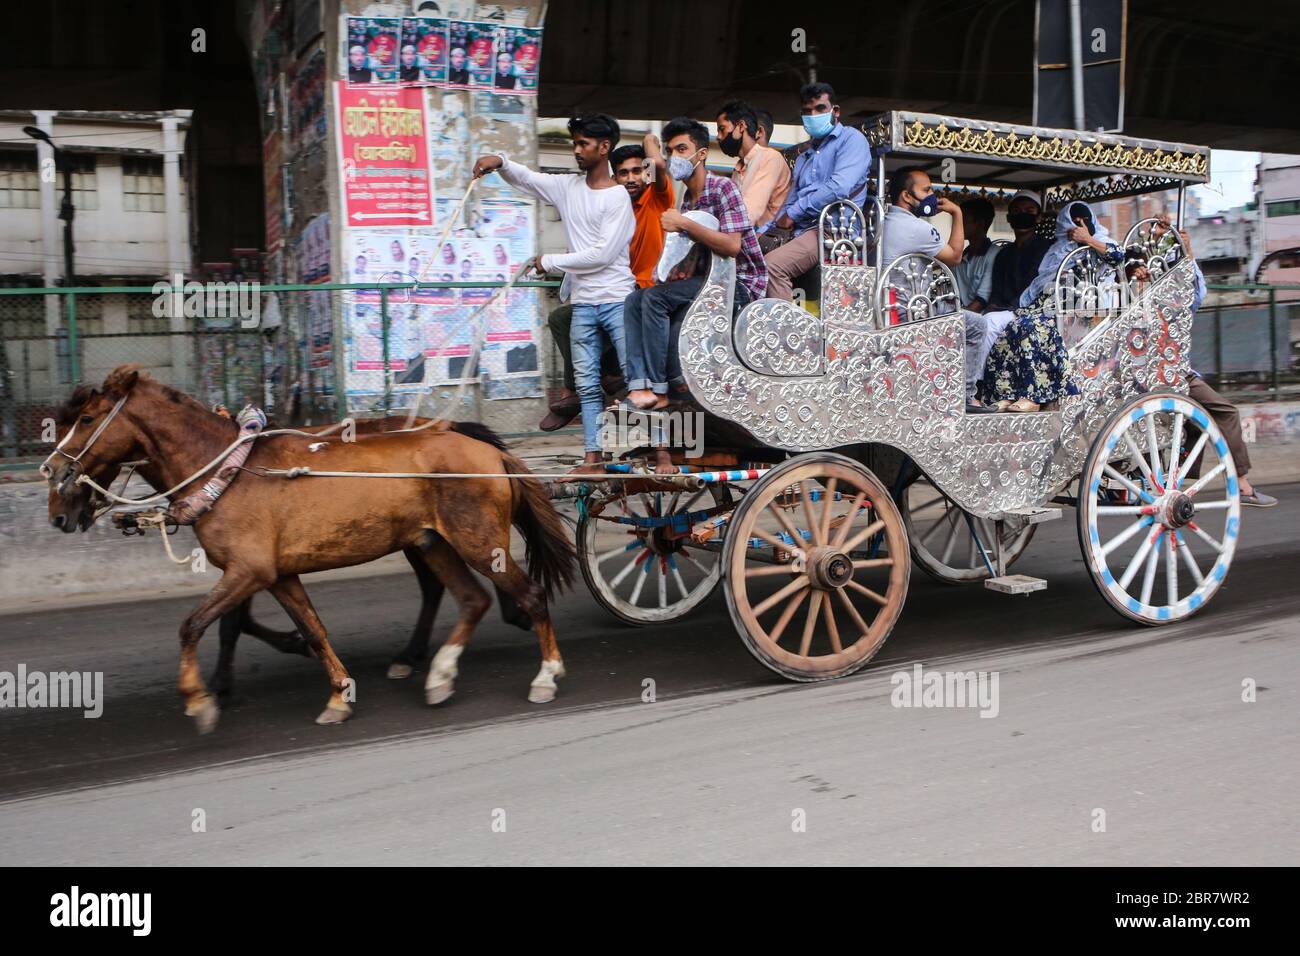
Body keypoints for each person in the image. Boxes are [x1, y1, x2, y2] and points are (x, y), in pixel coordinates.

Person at [473, 113, 635, 473]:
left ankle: (660, 454)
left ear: (604, 147)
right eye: (574, 143)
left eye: (583, 144)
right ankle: (593, 457)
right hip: (583, 304)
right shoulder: (568, 188)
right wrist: (500, 161)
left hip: (615, 299)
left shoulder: (618, 198)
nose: (576, 150)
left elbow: (603, 255)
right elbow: (528, 179)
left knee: (635, 381)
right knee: (587, 386)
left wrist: (550, 260)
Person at [620, 117, 766, 417]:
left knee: (656, 299)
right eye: (671, 150)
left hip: (739, 285)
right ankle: (639, 386)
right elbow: (695, 253)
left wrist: (683, 224)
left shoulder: (723, 188)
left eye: (682, 149)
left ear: (701, 154)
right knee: (636, 298)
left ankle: (662, 389)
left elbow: (731, 247)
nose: (676, 157)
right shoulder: (688, 198)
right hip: (707, 281)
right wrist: (680, 269)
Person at [539, 136, 671, 431]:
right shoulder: (612, 206)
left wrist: (650, 142)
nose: (631, 178)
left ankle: (604, 382)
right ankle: (578, 391)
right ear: (614, 177)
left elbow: (658, 167)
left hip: (646, 293)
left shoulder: (656, 201)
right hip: (616, 292)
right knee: (562, 317)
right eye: (623, 173)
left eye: (637, 171)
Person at [1154, 221, 1277, 507]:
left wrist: (1187, 252)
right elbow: (1197, 293)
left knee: (1197, 420)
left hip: (1164, 372)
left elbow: (1196, 292)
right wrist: (1187, 253)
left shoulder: (1145, 290)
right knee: (1226, 412)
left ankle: (1178, 479)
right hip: (1172, 375)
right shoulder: (1168, 295)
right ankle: (1242, 485)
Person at [982, 201, 1123, 411]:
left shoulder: (1099, 241)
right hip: (1047, 304)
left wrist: (1088, 240)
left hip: (1079, 308)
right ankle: (1007, 393)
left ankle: (1033, 396)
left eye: (1085, 221)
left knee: (1030, 326)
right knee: (1013, 327)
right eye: (1075, 222)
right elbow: (1041, 282)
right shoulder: (1056, 250)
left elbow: (1118, 256)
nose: (1081, 225)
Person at [879, 166, 991, 414]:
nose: (932, 195)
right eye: (926, 190)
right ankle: (965, 396)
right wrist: (957, 213)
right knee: (977, 325)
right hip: (913, 313)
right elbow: (955, 256)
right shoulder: (916, 228)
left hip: (891, 306)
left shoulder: (884, 221)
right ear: (907, 196)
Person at [764, 83, 872, 301]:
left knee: (772, 267)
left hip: (833, 231)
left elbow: (839, 187)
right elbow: (789, 201)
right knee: (748, 259)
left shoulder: (852, 140)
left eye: (820, 109)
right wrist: (766, 230)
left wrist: (793, 214)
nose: (813, 115)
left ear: (836, 111)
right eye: (807, 111)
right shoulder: (805, 156)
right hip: (804, 231)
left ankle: (785, 333)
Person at [717, 100, 791, 233]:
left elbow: (750, 212)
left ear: (741, 126)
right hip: (746, 237)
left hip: (769, 240)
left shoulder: (769, 157)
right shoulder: (740, 167)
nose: (718, 137)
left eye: (722, 129)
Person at [987, 190, 1052, 311]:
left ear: (1038, 218)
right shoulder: (1003, 254)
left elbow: (1036, 287)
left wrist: (1013, 309)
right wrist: (992, 308)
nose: (1022, 215)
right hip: (1001, 311)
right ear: (1009, 218)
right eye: (1016, 211)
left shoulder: (1046, 250)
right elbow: (996, 291)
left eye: (1029, 211)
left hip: (1031, 311)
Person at [953, 197, 996, 312]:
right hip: (963, 313)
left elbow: (981, 302)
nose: (958, 225)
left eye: (963, 220)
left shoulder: (994, 255)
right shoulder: (960, 257)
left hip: (982, 318)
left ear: (980, 224)